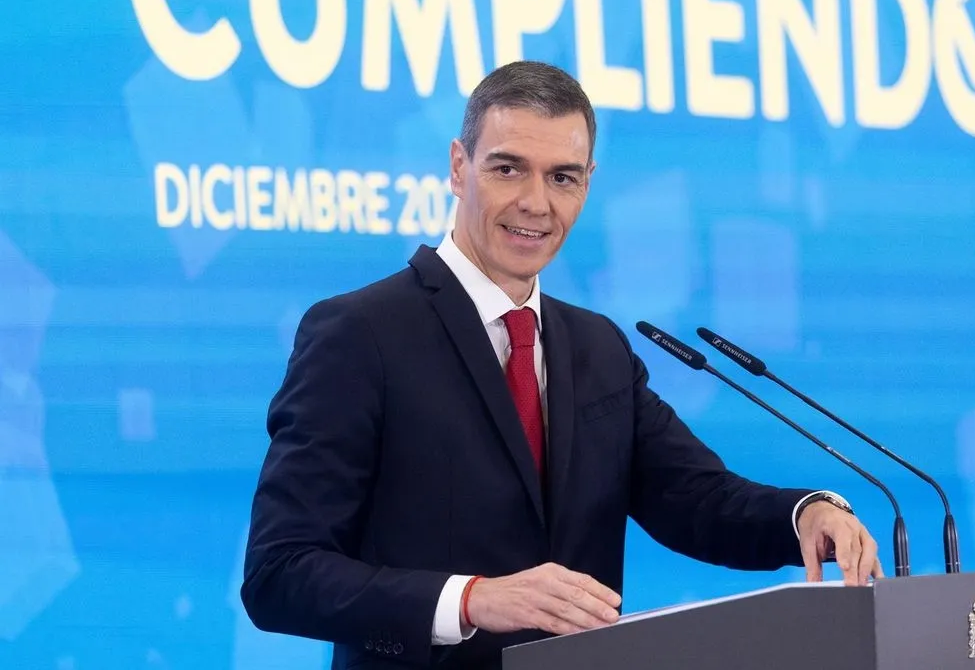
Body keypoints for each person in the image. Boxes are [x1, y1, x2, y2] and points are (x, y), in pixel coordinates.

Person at [241, 60, 882, 670]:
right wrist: (471, 599)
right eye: (508, 169)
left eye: (562, 178)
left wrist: (808, 513)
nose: (536, 203)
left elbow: (696, 499)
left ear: (588, 183)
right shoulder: (360, 333)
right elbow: (280, 572)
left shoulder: (597, 347)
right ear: (459, 167)